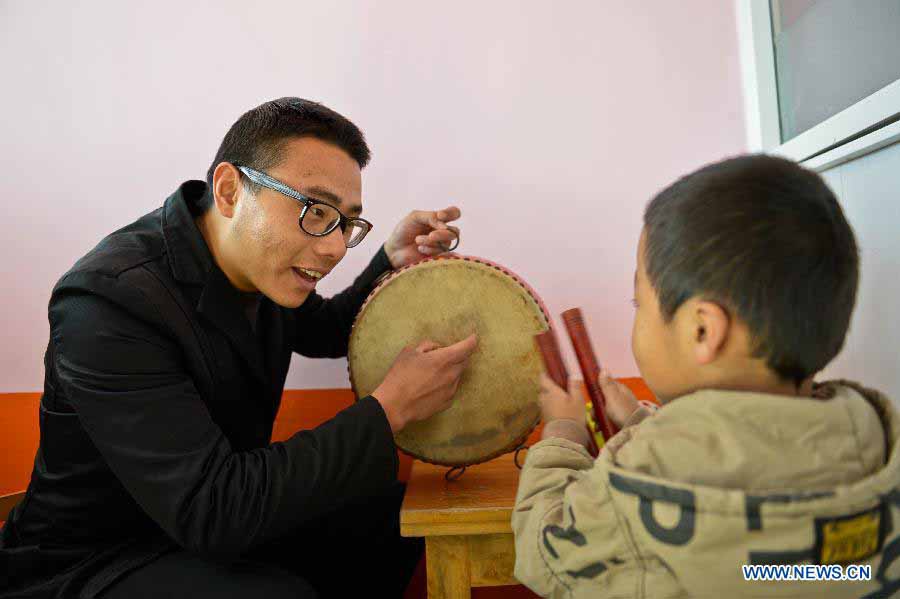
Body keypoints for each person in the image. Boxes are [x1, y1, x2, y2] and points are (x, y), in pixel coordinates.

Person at [0, 97, 478, 598]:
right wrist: (389, 410)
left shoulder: (260, 267)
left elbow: (327, 330)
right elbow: (213, 509)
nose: (335, 246)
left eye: (344, 222)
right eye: (316, 210)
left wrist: (387, 258)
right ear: (230, 191)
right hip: (93, 559)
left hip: (201, 530)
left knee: (389, 522)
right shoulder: (108, 299)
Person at [512, 154, 900, 597]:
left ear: (702, 330)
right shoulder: (875, 440)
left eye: (639, 303)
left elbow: (544, 555)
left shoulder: (636, 486)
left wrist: (562, 434)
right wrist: (646, 423)